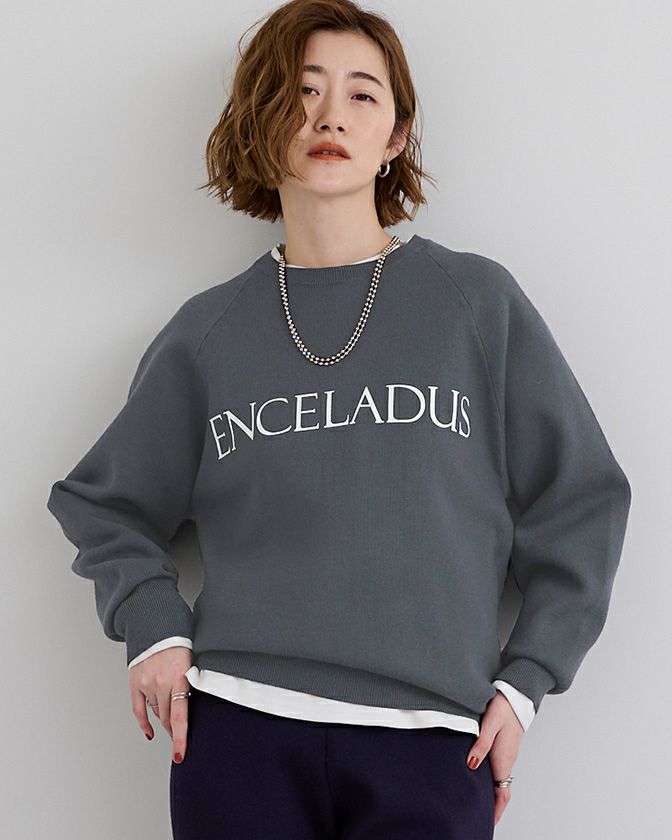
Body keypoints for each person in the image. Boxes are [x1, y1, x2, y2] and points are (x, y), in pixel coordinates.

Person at [46, 1, 632, 837]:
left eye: (362, 94)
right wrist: (153, 631)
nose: (329, 117)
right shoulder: (208, 333)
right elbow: (103, 502)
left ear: (396, 135)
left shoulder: (475, 305)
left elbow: (583, 500)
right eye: (302, 90)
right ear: (262, 120)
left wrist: (526, 680)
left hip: (435, 741)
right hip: (239, 731)